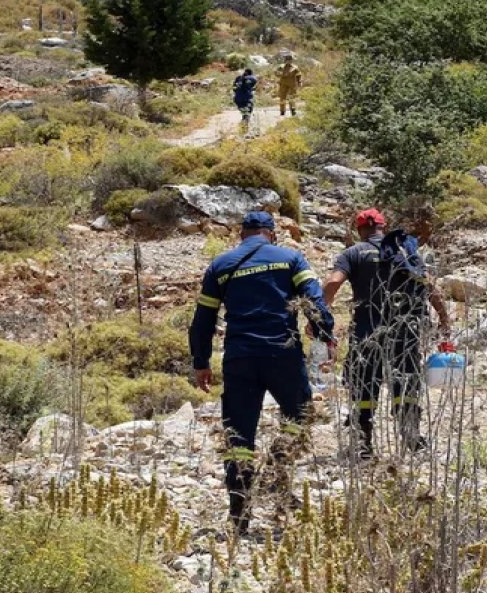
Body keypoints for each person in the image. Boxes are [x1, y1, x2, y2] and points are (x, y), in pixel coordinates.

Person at [189, 211, 335, 534]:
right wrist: (325, 333)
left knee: (239, 438)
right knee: (302, 416)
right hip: (282, 354)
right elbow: (314, 301)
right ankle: (279, 465)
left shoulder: (221, 266)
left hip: (239, 358)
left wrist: (201, 362)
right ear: (271, 233)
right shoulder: (290, 258)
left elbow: (203, 319)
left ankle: (240, 518)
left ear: (242, 234)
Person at [322, 209, 450, 459]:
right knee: (406, 381)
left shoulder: (354, 253)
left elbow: (333, 283)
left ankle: (363, 443)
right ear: (384, 226)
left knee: (364, 385)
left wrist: (320, 315)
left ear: (359, 230)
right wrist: (444, 319)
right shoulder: (406, 251)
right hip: (406, 329)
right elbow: (432, 288)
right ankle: (411, 437)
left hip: (367, 329)